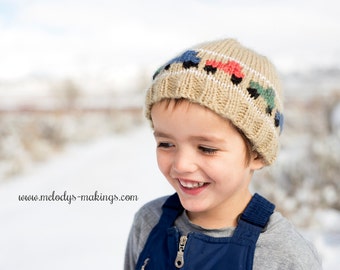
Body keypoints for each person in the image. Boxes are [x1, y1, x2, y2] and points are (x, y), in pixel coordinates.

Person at [124, 38, 322, 269]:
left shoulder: (285, 256)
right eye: (166, 144)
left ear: (256, 154)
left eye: (206, 148)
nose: (182, 164)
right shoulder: (149, 222)